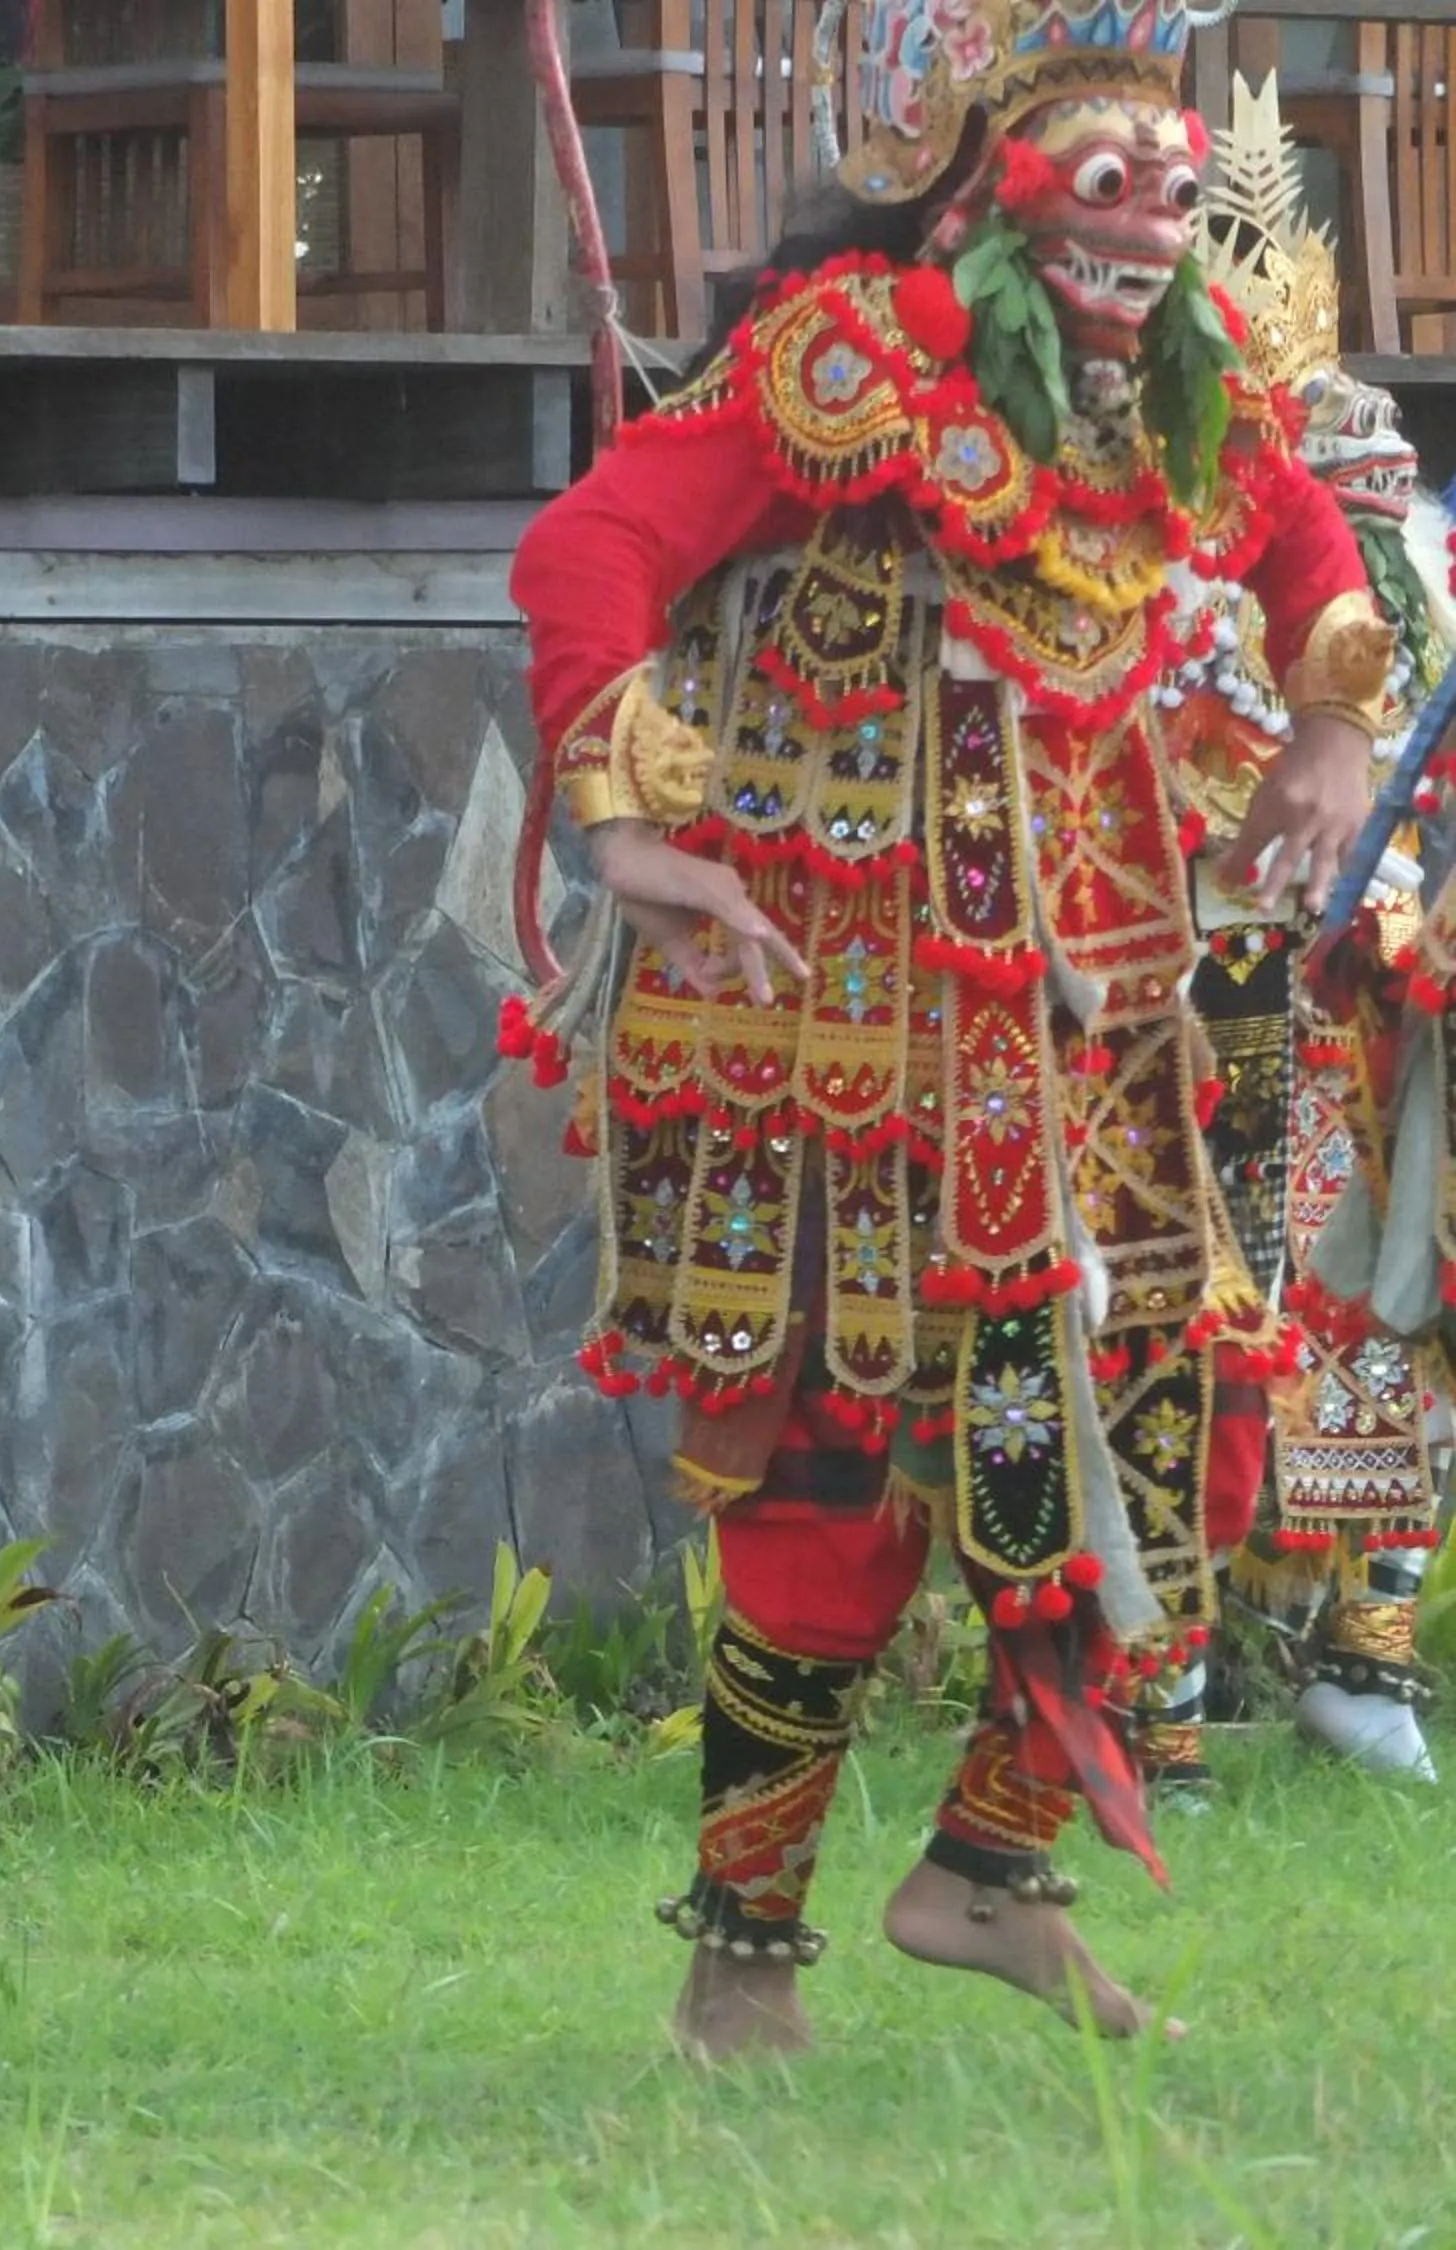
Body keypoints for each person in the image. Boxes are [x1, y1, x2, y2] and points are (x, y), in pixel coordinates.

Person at [505, 0, 1391, 2061]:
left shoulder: (1184, 395)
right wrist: (627, 822)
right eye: (1108, 188)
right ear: (992, 196)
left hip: (1107, 1061)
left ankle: (981, 1878)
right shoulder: (852, 363)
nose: (1152, 229)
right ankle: (737, 1966)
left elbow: (1303, 536)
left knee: (1184, 1453)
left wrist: (1334, 717)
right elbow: (597, 544)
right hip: (857, 1046)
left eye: (1177, 196)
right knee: (830, 1505)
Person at [1142, 75, 1452, 1788]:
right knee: (1192, 1312)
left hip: (1366, 971)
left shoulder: (1387, 545)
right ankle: (1155, 1692)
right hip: (1196, 964)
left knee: (1397, 1301)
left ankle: (1367, 1640)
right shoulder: (1148, 537)